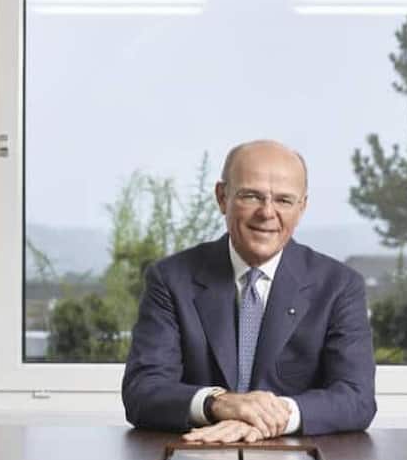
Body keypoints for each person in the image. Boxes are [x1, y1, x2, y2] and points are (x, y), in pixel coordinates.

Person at [121, 139, 376, 443]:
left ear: (302, 208)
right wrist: (217, 404)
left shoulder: (339, 286)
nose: (267, 212)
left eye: (284, 200)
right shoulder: (170, 279)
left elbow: (357, 398)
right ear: (222, 197)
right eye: (251, 196)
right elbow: (143, 390)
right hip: (193, 456)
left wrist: (271, 417)